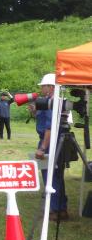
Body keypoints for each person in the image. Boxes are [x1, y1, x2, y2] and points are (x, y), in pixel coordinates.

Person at [32, 73, 68, 221]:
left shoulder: (52, 102)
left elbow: (50, 128)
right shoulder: (52, 101)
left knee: (50, 176)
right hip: (56, 140)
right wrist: (35, 112)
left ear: (51, 87)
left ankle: (53, 210)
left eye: (43, 86)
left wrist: (42, 148)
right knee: (57, 176)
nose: (41, 89)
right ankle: (61, 208)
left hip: (49, 141)